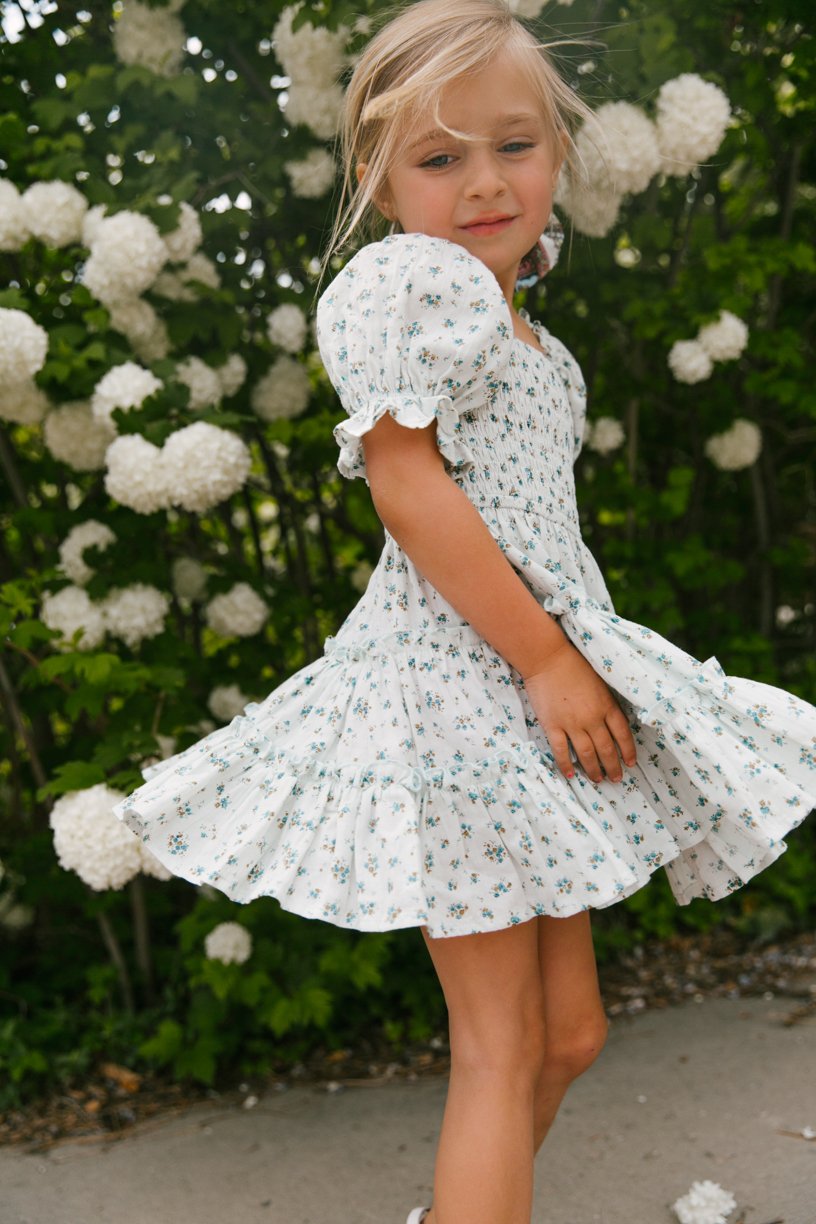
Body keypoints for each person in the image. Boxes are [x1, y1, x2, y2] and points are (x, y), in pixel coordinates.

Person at [113, 3, 816, 1222]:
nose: (484, 183)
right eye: (440, 159)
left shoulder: (523, 328)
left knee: (573, 1034)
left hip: (532, 704)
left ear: (557, 149)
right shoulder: (408, 284)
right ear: (381, 181)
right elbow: (406, 482)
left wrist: (568, 663)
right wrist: (547, 660)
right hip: (460, 696)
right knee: (499, 1050)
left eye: (514, 146)